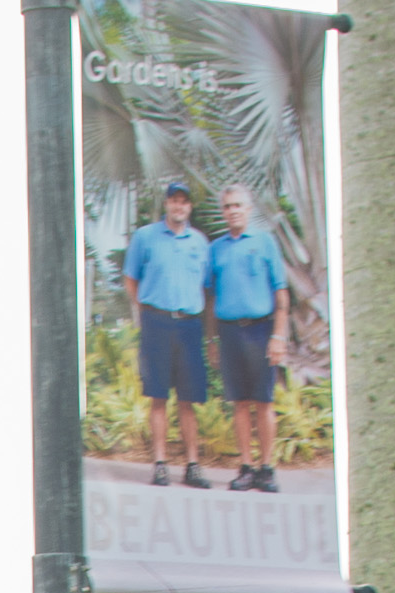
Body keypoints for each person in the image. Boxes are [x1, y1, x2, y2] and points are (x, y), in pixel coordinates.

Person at [121, 178, 216, 489]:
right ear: (166, 204)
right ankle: (160, 464)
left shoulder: (200, 242)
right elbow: (131, 280)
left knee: (188, 399)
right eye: (174, 200)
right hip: (157, 323)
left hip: (189, 325)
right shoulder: (145, 237)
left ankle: (192, 465)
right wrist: (147, 311)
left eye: (184, 201)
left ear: (190, 207)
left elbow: (207, 287)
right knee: (158, 396)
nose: (179, 206)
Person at [208, 185, 295, 493]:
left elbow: (281, 294)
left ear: (249, 208)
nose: (233, 210)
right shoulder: (216, 249)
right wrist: (212, 340)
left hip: (261, 330)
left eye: (238, 205)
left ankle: (267, 468)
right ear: (224, 211)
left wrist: (279, 336)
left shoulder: (265, 242)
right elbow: (210, 295)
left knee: (264, 401)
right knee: (240, 403)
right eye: (228, 206)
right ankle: (246, 467)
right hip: (230, 331)